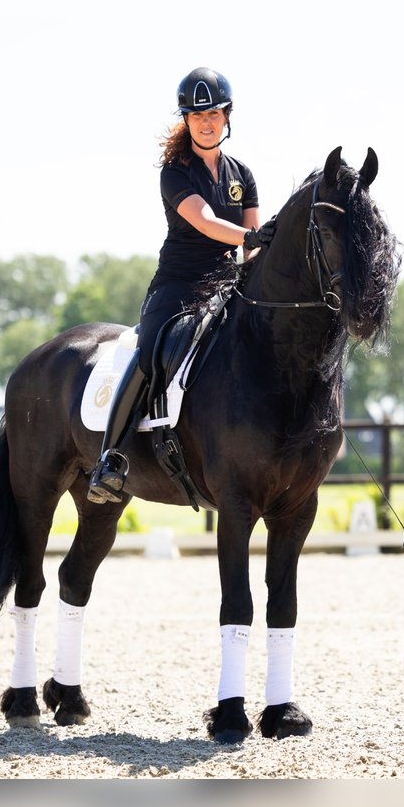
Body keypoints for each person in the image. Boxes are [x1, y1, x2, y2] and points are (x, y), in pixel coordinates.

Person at [87, 67, 275, 504]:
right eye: (197, 115)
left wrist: (259, 263)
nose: (206, 122)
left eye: (214, 114)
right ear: (186, 121)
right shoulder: (175, 172)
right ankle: (109, 458)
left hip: (226, 284)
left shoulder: (242, 174)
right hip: (177, 285)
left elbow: (254, 246)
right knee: (150, 354)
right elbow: (207, 223)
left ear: (227, 117)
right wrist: (251, 238)